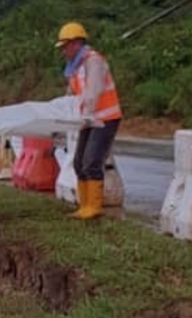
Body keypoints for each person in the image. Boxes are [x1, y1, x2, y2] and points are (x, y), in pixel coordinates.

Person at [56, 22, 123, 220]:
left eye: (66, 46)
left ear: (77, 43)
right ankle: (84, 204)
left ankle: (94, 207)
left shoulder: (93, 61)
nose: (64, 51)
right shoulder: (75, 67)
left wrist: (84, 116)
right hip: (89, 120)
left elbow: (93, 93)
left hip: (104, 119)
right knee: (79, 162)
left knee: (91, 162)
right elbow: (71, 95)